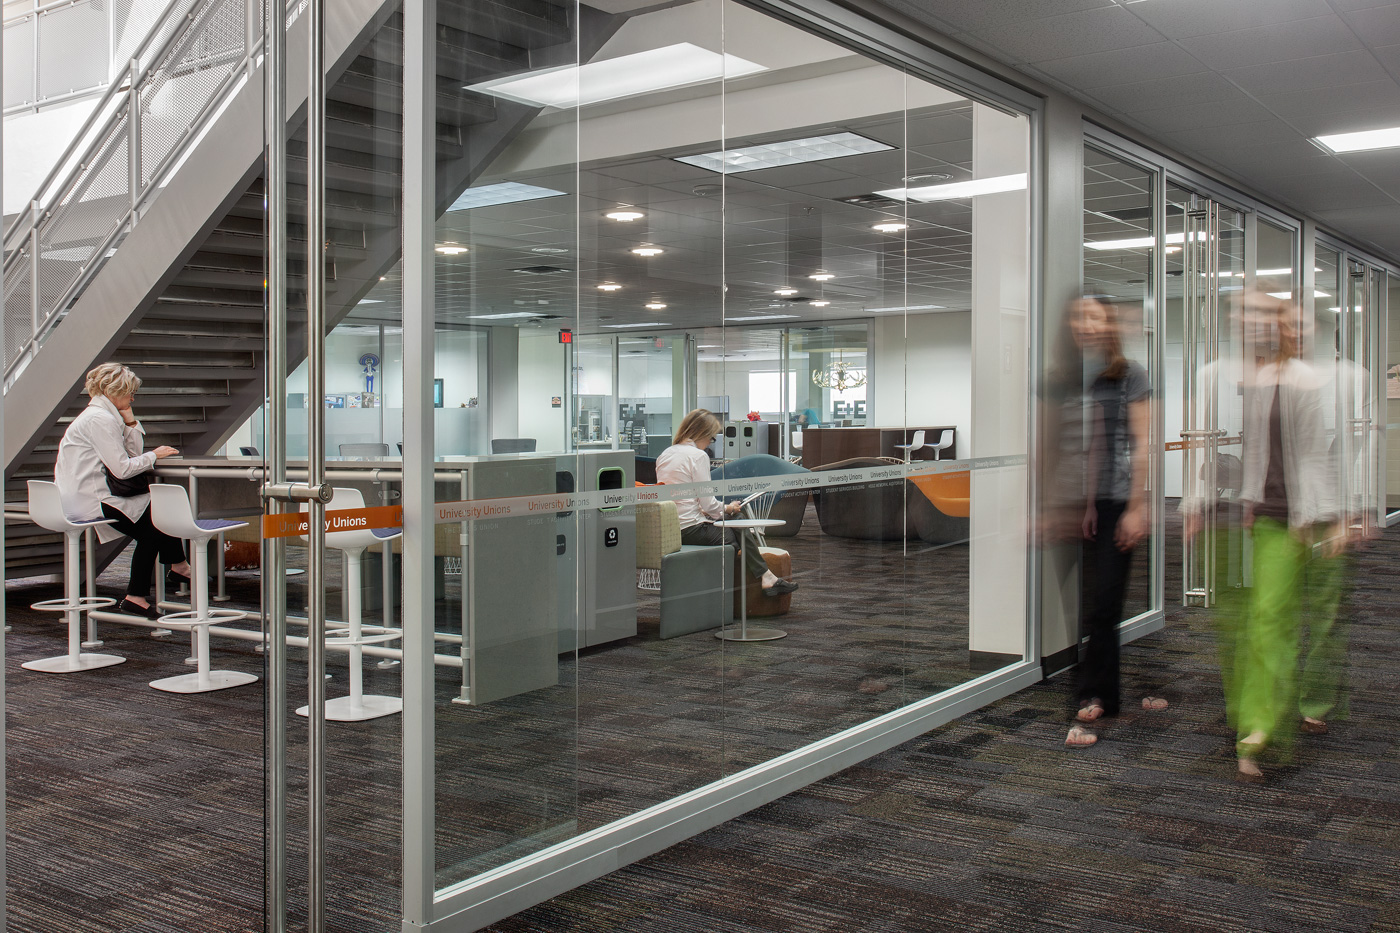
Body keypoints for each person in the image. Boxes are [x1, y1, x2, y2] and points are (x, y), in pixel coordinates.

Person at [1226, 293, 1339, 780]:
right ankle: (1258, 722)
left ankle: (1306, 703)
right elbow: (1254, 447)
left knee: (1303, 616)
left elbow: (1315, 453)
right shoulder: (1259, 379)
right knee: (1267, 617)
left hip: (1308, 514)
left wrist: (1313, 518)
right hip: (1271, 515)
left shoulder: (1310, 381)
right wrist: (1250, 500)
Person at [1060, 298, 1156, 748]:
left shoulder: (1130, 374)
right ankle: (1092, 686)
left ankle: (1099, 693)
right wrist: (1087, 506)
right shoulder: (1082, 378)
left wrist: (1136, 507)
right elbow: (1091, 445)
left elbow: (1142, 443)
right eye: (1078, 317)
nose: (1085, 324)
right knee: (1090, 602)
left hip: (1122, 499)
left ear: (1109, 325)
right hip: (1091, 500)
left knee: (1105, 601)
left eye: (1094, 316)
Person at [55, 363, 191, 619]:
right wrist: (155, 454)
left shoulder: (100, 416)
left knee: (158, 515)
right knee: (157, 523)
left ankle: (165, 575)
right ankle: (157, 580)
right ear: (113, 390)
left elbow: (131, 454)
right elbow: (123, 469)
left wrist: (130, 421)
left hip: (84, 495)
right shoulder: (100, 419)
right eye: (129, 392)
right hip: (92, 498)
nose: (132, 397)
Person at [656, 409, 796, 597]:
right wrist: (728, 508)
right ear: (703, 434)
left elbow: (683, 498)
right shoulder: (697, 456)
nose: (709, 444)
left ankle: (766, 577)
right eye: (712, 438)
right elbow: (708, 505)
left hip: (670, 527)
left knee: (736, 523)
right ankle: (760, 581)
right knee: (737, 526)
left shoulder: (665, 454)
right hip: (690, 529)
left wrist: (719, 511)